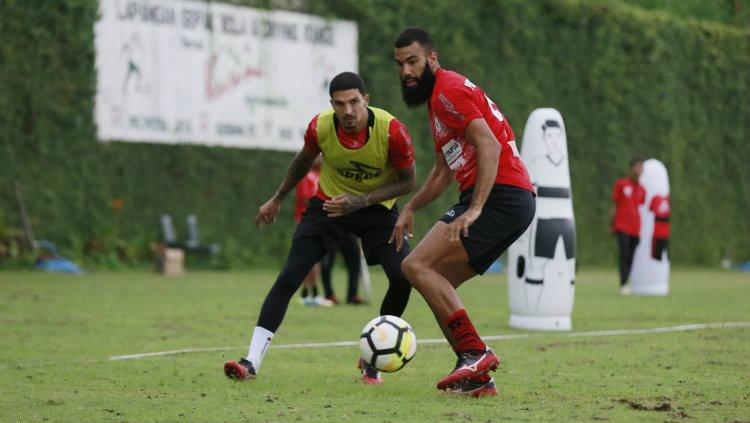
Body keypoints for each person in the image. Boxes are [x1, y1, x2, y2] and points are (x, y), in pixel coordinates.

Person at [224, 71, 417, 385]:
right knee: (290, 275)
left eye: (355, 102)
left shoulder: (392, 131)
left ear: (366, 100)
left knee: (402, 276)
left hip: (377, 212)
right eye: (340, 104)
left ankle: (373, 363)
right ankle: (251, 362)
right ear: (332, 105)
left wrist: (359, 201)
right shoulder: (321, 126)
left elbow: (408, 181)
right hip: (328, 207)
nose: (348, 111)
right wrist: (277, 199)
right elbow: (303, 160)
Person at [391, 28, 536, 397]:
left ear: (432, 59)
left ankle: (475, 353)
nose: (406, 71)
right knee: (435, 279)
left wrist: (475, 208)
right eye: (400, 64)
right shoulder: (436, 101)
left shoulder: (449, 90)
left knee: (415, 266)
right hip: (510, 199)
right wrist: (410, 207)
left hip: (501, 194)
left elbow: (489, 145)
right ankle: (477, 377)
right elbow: (443, 170)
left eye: (413, 61)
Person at [294, 156, 333, 307]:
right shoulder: (308, 176)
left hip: (318, 222)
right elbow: (307, 198)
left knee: (313, 260)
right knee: (312, 259)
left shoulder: (320, 176)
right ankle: (312, 294)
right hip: (310, 222)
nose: (323, 159)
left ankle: (308, 293)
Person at [611, 159, 645, 294]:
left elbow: (640, 206)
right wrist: (612, 223)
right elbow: (614, 205)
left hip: (635, 227)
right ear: (630, 169)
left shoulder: (642, 189)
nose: (639, 170)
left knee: (631, 255)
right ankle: (623, 283)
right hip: (621, 225)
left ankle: (627, 282)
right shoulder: (621, 184)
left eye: (641, 168)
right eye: (636, 167)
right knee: (624, 254)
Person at [319, 233, 365, 305]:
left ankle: (352, 296)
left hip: (349, 230)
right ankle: (329, 295)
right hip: (330, 230)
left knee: (355, 262)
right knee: (326, 264)